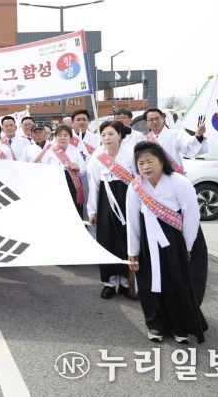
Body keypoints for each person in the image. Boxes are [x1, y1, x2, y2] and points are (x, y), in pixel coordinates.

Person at [127, 142, 208, 343]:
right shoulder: (135, 186)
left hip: (176, 241)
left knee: (175, 282)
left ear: (161, 161)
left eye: (150, 161)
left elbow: (192, 215)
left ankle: (179, 326)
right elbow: (133, 220)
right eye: (141, 163)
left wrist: (187, 246)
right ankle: (155, 324)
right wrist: (133, 250)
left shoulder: (179, 182)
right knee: (148, 283)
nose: (145, 167)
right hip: (148, 242)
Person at [87, 121, 137, 300]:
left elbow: (138, 180)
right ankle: (109, 283)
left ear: (120, 135)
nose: (106, 138)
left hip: (127, 198)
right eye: (103, 135)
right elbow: (93, 183)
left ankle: (125, 282)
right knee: (106, 240)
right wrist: (92, 210)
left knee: (126, 240)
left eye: (111, 134)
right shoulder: (98, 155)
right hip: (105, 200)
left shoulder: (131, 153)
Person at [143, 107, 208, 173]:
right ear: (146, 123)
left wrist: (198, 136)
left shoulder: (176, 134)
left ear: (162, 119)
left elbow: (188, 146)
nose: (155, 122)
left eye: (157, 118)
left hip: (173, 175)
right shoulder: (144, 140)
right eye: (151, 120)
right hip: (154, 176)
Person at [41, 125, 87, 217]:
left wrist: (78, 167)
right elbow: (44, 170)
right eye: (59, 135)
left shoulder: (76, 151)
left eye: (65, 135)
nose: (62, 138)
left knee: (75, 209)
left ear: (70, 137)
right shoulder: (49, 152)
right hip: (56, 183)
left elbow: (84, 172)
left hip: (73, 183)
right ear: (55, 137)